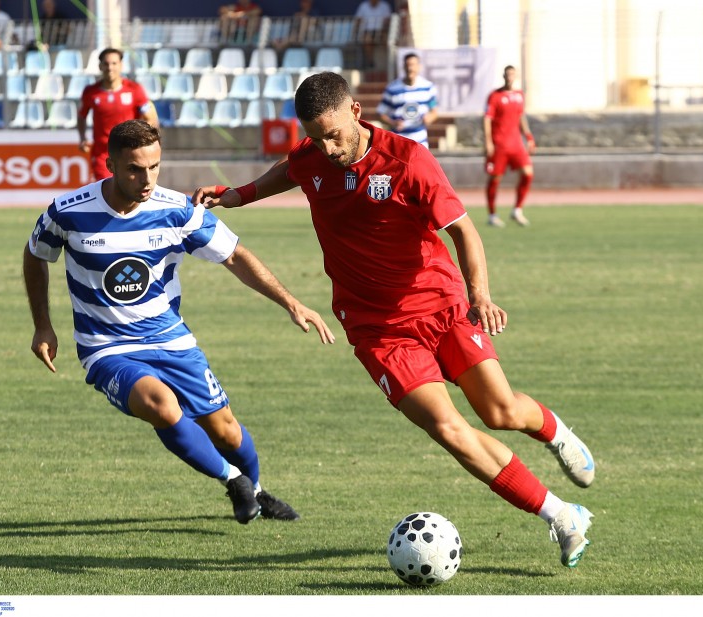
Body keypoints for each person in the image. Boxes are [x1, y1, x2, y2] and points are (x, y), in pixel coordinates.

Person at [192, 72, 596, 567]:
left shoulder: (408, 161)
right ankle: (561, 515)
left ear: (356, 112)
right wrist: (236, 195)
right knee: (448, 429)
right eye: (316, 137)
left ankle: (555, 432)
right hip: (378, 329)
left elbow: (464, 231)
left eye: (334, 134)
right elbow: (290, 170)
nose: (327, 147)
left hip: (442, 305)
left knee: (501, 413)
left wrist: (481, 295)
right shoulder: (312, 155)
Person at [23, 119, 335, 524]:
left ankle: (254, 490)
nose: (146, 178)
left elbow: (236, 256)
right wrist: (42, 324)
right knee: (162, 406)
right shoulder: (69, 212)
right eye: (135, 168)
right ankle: (233, 479)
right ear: (111, 164)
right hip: (106, 347)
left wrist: (290, 301)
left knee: (226, 430)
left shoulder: (177, 211)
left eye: (154, 167)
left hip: (171, 339)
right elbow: (36, 255)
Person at [77, 48, 159, 182]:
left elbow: (150, 117)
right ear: (100, 66)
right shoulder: (90, 92)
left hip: (130, 150)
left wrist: (146, 142)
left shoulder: (134, 89)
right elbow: (81, 115)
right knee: (106, 190)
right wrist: (82, 137)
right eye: (106, 63)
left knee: (132, 191)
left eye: (114, 63)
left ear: (121, 65)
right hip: (103, 153)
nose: (110, 67)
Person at [484, 65, 536, 228]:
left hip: (516, 144)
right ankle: (492, 214)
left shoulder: (519, 95)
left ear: (516, 76)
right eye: (507, 75)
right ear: (503, 76)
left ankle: (517, 210)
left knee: (528, 174)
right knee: (495, 178)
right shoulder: (494, 96)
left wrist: (528, 136)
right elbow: (487, 119)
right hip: (499, 144)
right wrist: (488, 142)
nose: (509, 77)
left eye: (512, 75)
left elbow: (521, 116)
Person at [377, 52, 438, 148]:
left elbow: (434, 112)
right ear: (403, 67)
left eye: (413, 65)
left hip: (420, 141)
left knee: (421, 163)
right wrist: (393, 123)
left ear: (419, 67)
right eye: (407, 65)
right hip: (399, 141)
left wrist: (428, 118)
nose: (410, 68)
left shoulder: (428, 87)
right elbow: (380, 114)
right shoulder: (392, 89)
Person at [354, 0, 393, 69]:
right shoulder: (363, 6)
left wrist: (384, 29)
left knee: (387, 41)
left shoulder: (384, 6)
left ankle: (391, 62)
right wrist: (355, 32)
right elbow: (358, 19)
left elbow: (388, 20)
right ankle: (370, 63)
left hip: (381, 31)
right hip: (367, 31)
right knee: (367, 41)